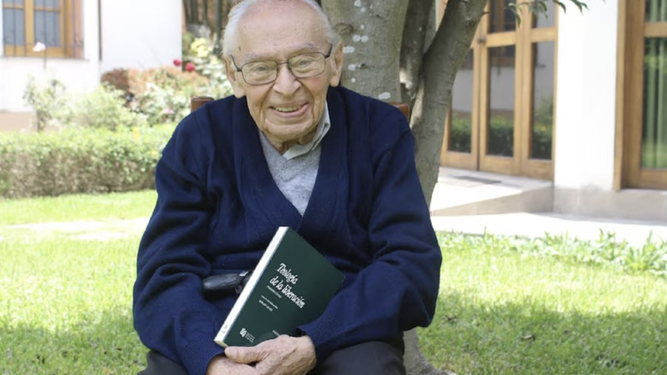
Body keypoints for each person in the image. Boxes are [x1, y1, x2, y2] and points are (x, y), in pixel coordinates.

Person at [132, 0, 442, 374]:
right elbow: (164, 274)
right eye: (261, 68)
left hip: (343, 333)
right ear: (234, 75)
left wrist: (315, 341)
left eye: (305, 61)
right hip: (218, 331)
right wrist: (212, 363)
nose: (286, 86)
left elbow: (411, 265)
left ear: (335, 63)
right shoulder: (199, 139)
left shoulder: (380, 132)